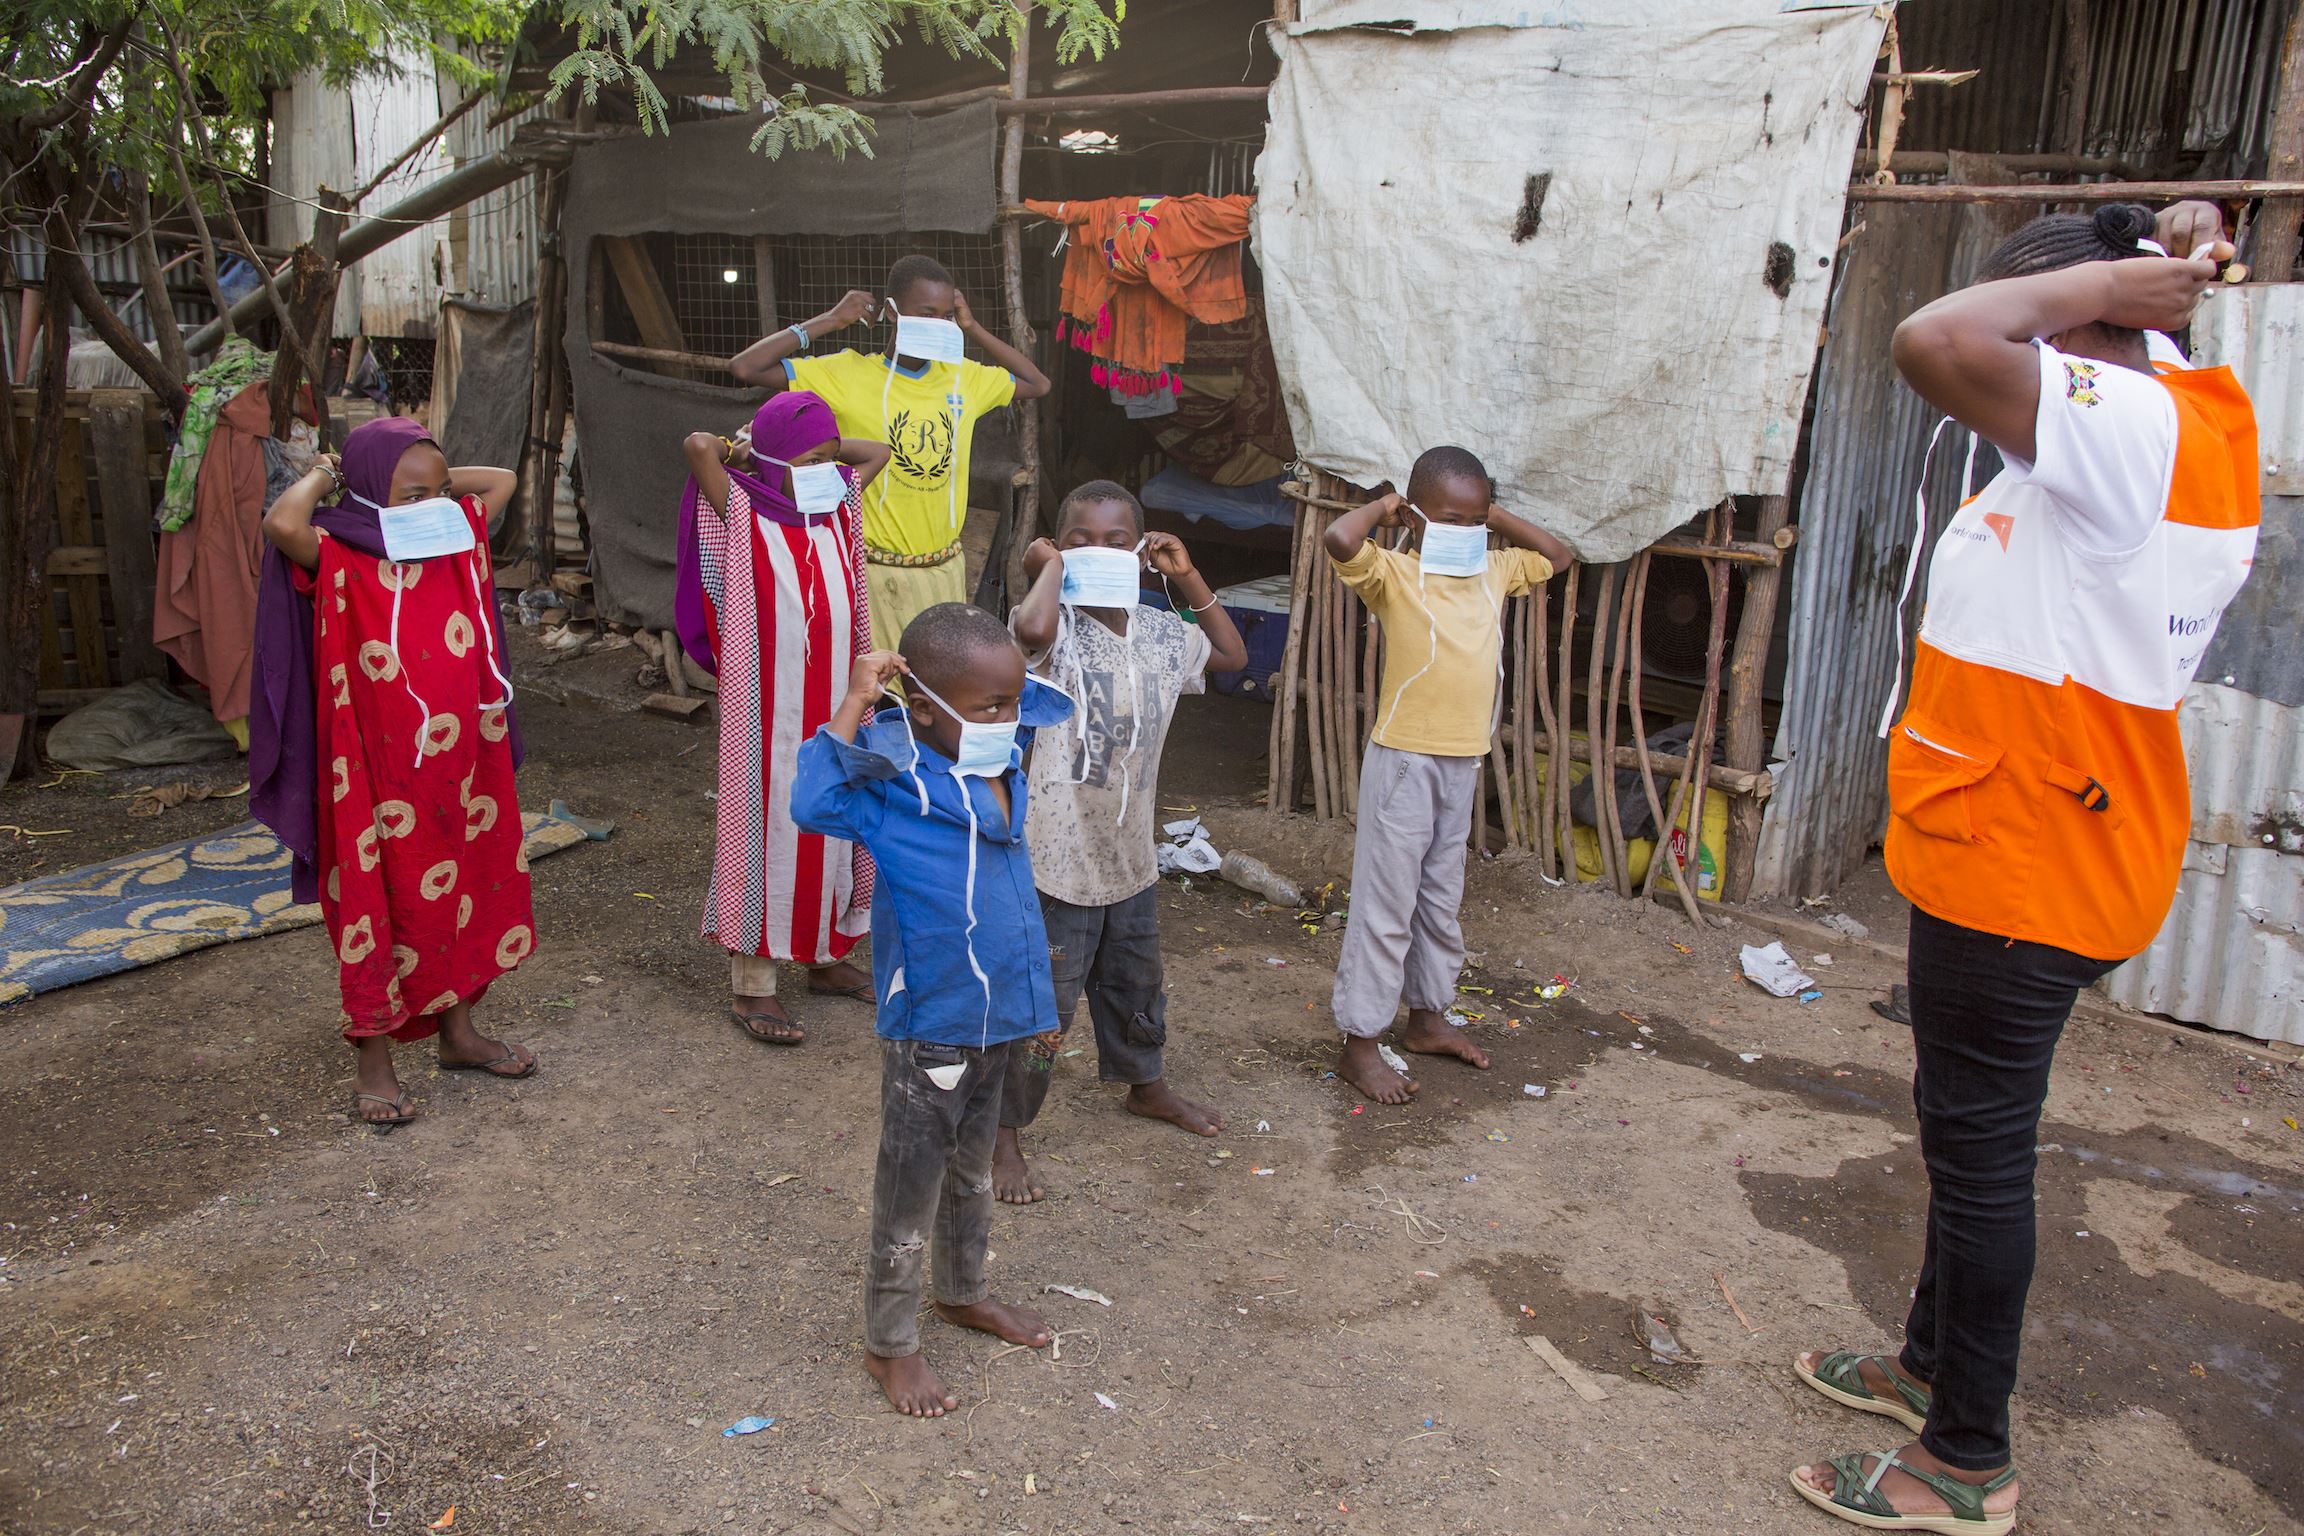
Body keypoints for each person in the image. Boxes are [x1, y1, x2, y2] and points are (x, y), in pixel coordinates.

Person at [1790, 201, 2253, 1534]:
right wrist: (2140, 259)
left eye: (2033, 322)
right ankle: (1928, 1369)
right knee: (1964, 1128)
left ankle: (1968, 1459)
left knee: (1980, 1154)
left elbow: (1936, 338)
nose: (2005, 363)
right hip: (2037, 836)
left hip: (2033, 858)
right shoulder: (2139, 428)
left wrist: (2110, 280)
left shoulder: (2126, 426)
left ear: (2090, 334)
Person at [789, 603, 1074, 1418]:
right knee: (909, 1187)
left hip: (1003, 1020)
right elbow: (811, 803)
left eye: (1013, 702)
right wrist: (855, 697)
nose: (1008, 719)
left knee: (973, 1172)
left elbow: (1010, 892)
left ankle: (962, 1293)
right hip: (933, 1027)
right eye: (988, 707)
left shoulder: (1006, 755)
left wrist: (1036, 1005)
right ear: (924, 707)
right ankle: (891, 1345)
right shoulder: (888, 784)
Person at [251, 418, 539, 1131]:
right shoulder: (339, 551)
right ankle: (373, 1063)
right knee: (374, 902)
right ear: (370, 494)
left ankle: (459, 1034)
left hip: (463, 756)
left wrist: (430, 487)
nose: (435, 505)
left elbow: (499, 480)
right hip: (371, 769)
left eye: (441, 492)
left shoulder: (452, 535)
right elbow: (281, 520)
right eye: (413, 494)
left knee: (466, 887)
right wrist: (329, 476)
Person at [992, 480, 1251, 1204]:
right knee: (1046, 1004)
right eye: (1079, 539)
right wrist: (1048, 568)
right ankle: (1003, 1132)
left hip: (1130, 852)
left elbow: (1229, 655)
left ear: (1141, 552)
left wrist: (1187, 575)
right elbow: (1032, 634)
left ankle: (1146, 1084)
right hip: (1055, 852)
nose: (1096, 550)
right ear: (1056, 547)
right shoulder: (1053, 631)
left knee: (1137, 979)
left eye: (1115, 539)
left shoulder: (1165, 632)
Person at [1320, 447, 1574, 1105]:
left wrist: (1495, 517)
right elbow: (1338, 538)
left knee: (1438, 897)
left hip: (1464, 762)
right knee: (1387, 905)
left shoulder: (1496, 570)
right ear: (1417, 516)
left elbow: (1559, 555)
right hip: (1404, 761)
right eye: (1448, 518)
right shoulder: (1394, 575)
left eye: (1473, 519)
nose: (1462, 531)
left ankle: (1428, 1018)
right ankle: (1360, 1044)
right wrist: (1385, 507)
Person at [675, 392, 893, 1044]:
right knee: (769, 829)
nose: (826, 469)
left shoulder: (836, 506)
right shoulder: (743, 507)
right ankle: (753, 988)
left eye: (830, 458)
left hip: (837, 700)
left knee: (837, 820)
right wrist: (742, 448)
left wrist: (823, 454)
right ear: (771, 461)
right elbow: (695, 445)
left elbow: (876, 451)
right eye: (810, 460)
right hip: (766, 707)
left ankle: (827, 960)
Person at [728, 255, 1053, 654]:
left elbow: (1036, 383)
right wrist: (830, 320)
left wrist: (972, 328)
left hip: (944, 571)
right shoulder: (847, 372)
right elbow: (745, 368)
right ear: (892, 312)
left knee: (936, 691)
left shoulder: (964, 377)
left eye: (945, 316)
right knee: (873, 693)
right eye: (926, 313)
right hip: (867, 572)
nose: (937, 325)